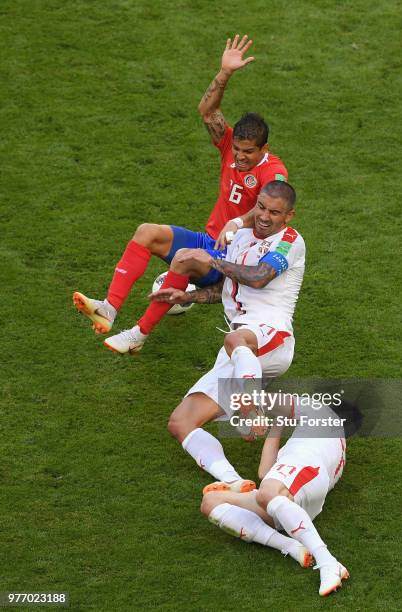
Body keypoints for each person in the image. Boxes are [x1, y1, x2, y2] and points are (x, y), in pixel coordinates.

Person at [73, 34, 288, 353]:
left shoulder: (274, 172)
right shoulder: (229, 147)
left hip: (235, 264)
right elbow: (207, 111)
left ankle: (138, 335)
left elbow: (270, 209)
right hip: (211, 242)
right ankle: (108, 308)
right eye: (238, 150)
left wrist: (238, 223)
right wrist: (224, 72)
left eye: (249, 152)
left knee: (185, 260)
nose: (240, 157)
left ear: (264, 149)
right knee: (147, 232)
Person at [162, 181, 305, 501]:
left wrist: (210, 259)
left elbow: (259, 276)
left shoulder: (291, 242)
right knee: (181, 422)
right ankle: (234, 482)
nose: (266, 217)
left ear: (289, 215)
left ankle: (251, 407)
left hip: (273, 335)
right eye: (262, 208)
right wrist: (186, 295)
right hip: (240, 350)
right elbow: (229, 289)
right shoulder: (240, 238)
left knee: (234, 338)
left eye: (275, 212)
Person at [200, 401, 350, 598]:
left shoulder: (320, 411)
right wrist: (279, 422)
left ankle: (328, 562)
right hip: (293, 498)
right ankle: (292, 546)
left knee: (266, 493)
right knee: (210, 502)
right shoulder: (325, 442)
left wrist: (249, 408)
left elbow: (267, 400)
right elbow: (264, 472)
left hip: (304, 468)